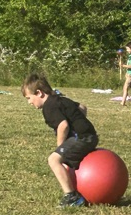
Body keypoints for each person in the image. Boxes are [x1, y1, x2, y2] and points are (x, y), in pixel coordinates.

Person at [22, 73, 98, 208]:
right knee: (62, 158)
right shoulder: (60, 99)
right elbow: (82, 108)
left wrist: (60, 147)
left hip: (81, 138)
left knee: (54, 159)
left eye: (29, 98)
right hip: (90, 136)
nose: (29, 102)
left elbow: (63, 125)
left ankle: (72, 196)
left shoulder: (49, 106)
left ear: (39, 93)